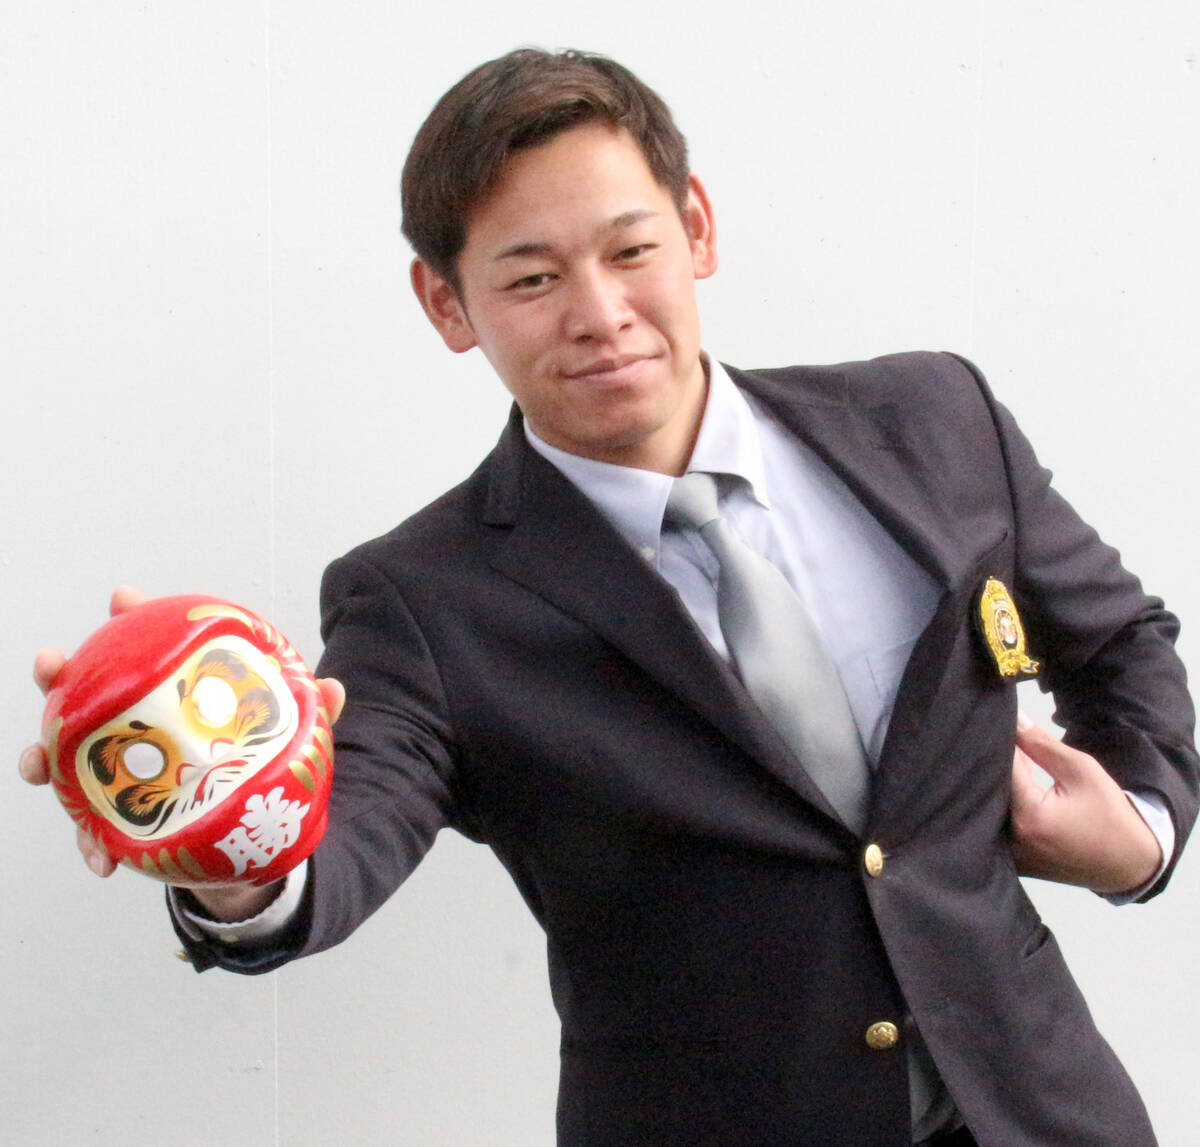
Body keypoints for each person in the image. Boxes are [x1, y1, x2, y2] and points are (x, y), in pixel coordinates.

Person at [20, 48, 1198, 1147]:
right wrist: (224, 837)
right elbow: (338, 846)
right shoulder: (421, 600)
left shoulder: (934, 417)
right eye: (531, 277)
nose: (599, 314)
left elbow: (1123, 638)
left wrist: (1140, 829)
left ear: (696, 229)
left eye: (630, 250)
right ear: (446, 304)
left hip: (1046, 1112)